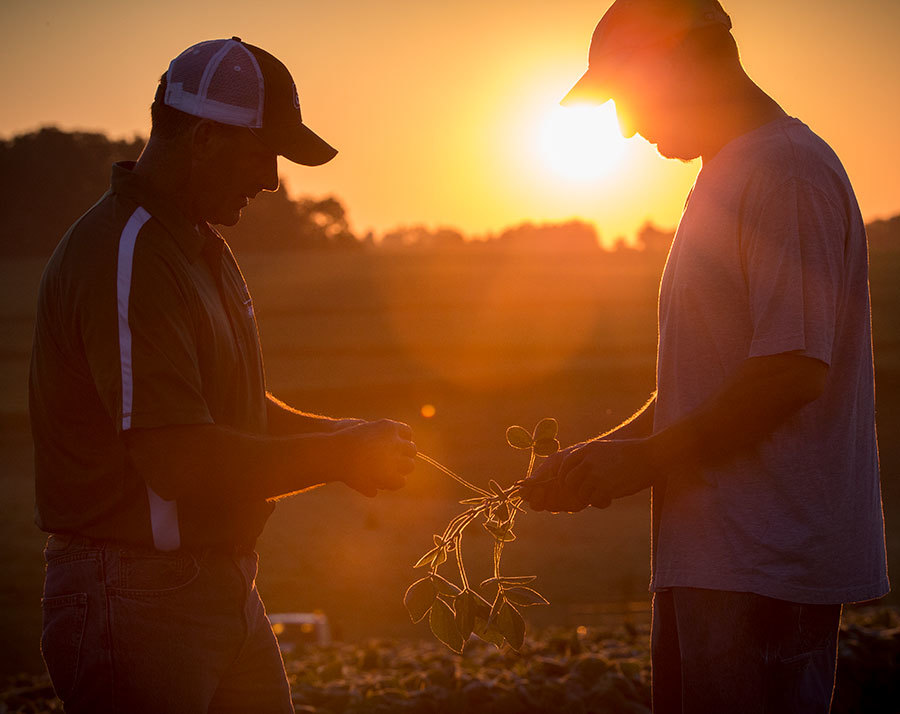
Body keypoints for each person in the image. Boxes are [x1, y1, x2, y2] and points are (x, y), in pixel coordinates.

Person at [29, 37, 416, 714]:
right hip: (135, 593)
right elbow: (178, 458)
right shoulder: (129, 256)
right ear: (205, 137)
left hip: (215, 585)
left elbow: (228, 408)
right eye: (263, 152)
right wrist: (337, 454)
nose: (271, 179)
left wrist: (347, 435)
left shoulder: (200, 245)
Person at [521, 1, 889, 712]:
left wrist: (646, 462)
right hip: (720, 565)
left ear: (680, 59)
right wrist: (606, 452)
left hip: (764, 570)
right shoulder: (731, 172)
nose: (625, 126)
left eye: (627, 94)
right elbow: (715, 381)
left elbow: (790, 373)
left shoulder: (785, 173)